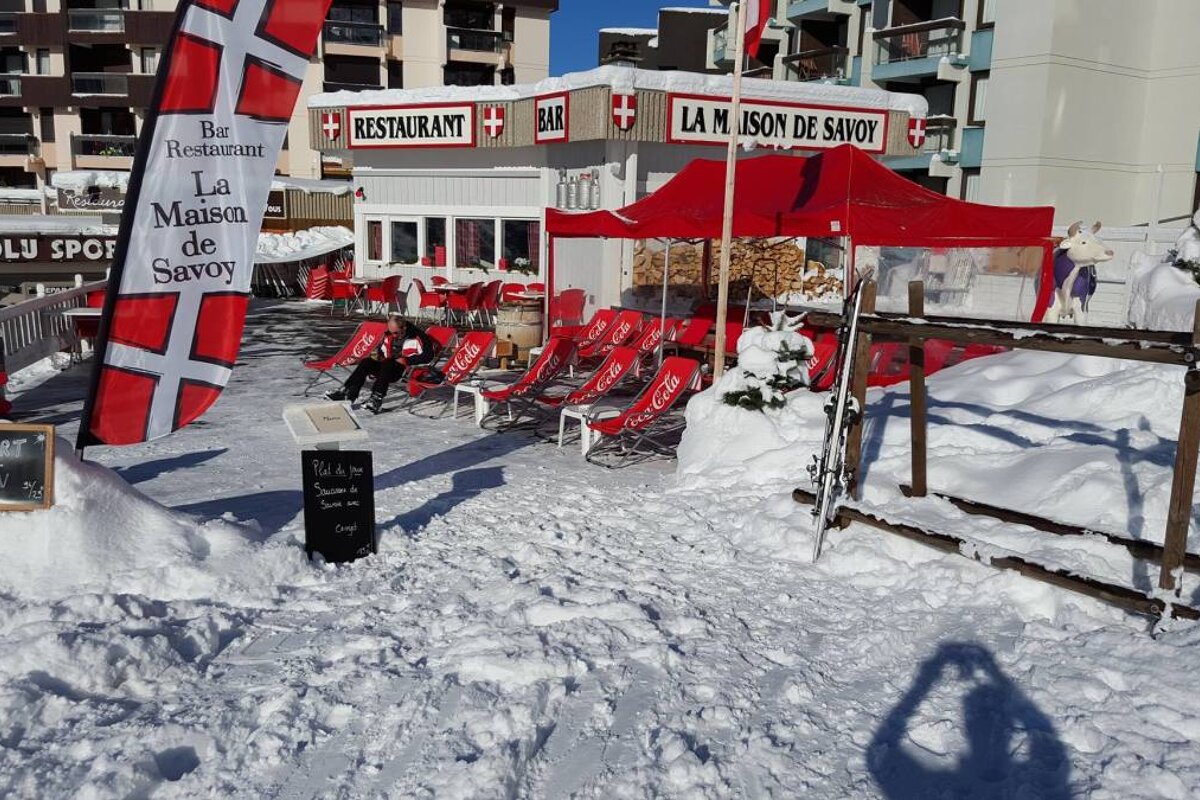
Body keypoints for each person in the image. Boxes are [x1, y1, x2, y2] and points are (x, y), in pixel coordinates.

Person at [325, 314, 437, 413]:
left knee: (388, 363)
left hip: (403, 370)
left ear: (404, 328)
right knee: (367, 362)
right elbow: (382, 349)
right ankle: (348, 393)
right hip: (387, 367)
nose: (393, 335)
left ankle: (376, 398)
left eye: (396, 333)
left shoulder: (418, 336)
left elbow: (429, 356)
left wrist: (408, 360)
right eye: (391, 332)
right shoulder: (389, 333)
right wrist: (379, 355)